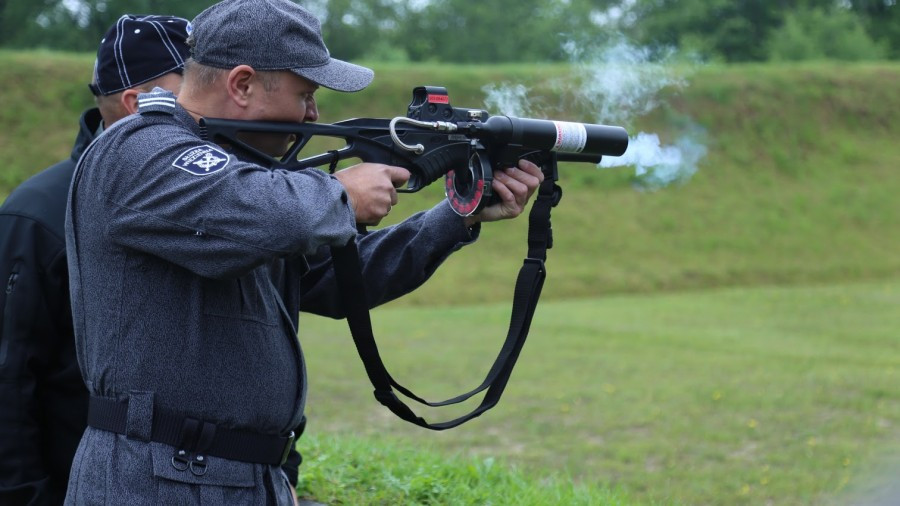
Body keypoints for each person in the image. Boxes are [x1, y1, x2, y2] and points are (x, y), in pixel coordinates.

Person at [63, 1, 544, 504]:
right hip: (161, 480)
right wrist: (342, 195)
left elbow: (340, 279)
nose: (314, 114)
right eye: (305, 94)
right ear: (242, 84)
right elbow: (269, 210)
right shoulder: (140, 149)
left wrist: (456, 215)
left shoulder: (234, 178)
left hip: (231, 475)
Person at [0, 15, 193, 505]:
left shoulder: (214, 204)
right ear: (138, 103)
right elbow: (9, 379)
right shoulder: (36, 214)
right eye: (197, 83)